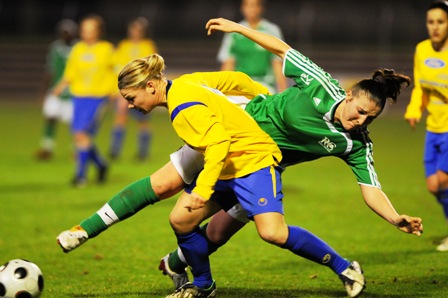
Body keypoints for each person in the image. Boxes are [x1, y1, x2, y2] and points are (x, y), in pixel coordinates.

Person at [56, 19, 423, 298]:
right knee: (170, 196)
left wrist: (395, 218)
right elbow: (280, 50)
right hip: (234, 127)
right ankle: (101, 237)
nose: (359, 120)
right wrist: (239, 32)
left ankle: (182, 266)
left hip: (256, 160)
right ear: (347, 95)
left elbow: (371, 188)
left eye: (368, 119)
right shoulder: (321, 85)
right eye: (358, 110)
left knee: (230, 231)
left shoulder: (355, 143)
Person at [404, 1, 448, 252]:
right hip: (433, 127)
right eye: (431, 22)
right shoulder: (422, 50)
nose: (435, 27)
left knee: (443, 180)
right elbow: (420, 86)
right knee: (433, 186)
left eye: (440, 22)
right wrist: (413, 111)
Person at [53, 14, 115, 187]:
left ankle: (80, 176)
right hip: (79, 97)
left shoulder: (107, 49)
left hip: (98, 98)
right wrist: (59, 87)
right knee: (80, 137)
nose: (86, 33)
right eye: (84, 29)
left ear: (99, 32)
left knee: (82, 135)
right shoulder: (78, 49)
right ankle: (101, 165)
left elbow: (115, 72)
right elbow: (70, 72)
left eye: (91, 30)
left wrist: (114, 93)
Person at [109, 17, 158, 161]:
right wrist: (115, 89)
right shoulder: (124, 46)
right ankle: (115, 150)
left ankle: (143, 152)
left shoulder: (148, 46)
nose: (135, 32)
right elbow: (117, 68)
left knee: (143, 120)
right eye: (133, 29)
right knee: (120, 116)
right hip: (126, 89)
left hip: (142, 90)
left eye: (138, 30)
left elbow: (152, 68)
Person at [217, 0, 287, 93]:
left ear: (260, 8)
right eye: (248, 6)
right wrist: (221, 92)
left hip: (265, 85)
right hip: (240, 86)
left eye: (254, 5)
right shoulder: (234, 31)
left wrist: (283, 93)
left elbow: (277, 64)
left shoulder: (271, 31)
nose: (251, 9)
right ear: (242, 8)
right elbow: (228, 64)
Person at [35, 19, 78, 160]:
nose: (66, 35)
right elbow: (50, 70)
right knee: (50, 118)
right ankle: (47, 147)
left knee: (75, 123)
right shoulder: (55, 47)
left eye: (68, 32)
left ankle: (75, 149)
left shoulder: (78, 48)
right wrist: (44, 90)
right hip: (55, 91)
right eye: (64, 32)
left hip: (73, 92)